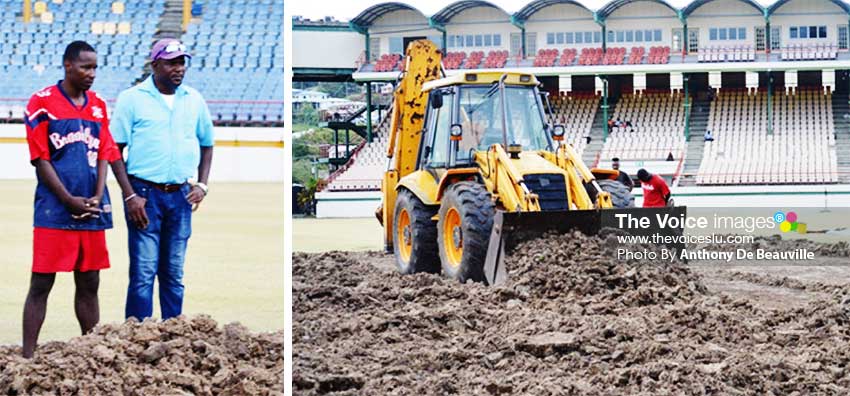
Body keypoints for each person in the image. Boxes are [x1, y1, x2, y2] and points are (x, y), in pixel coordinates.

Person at [22, 41, 123, 358]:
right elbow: (41, 159)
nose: (92, 73)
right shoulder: (42, 103)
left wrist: (96, 194)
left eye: (95, 67)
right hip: (55, 209)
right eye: (85, 67)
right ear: (68, 65)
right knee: (41, 283)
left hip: (92, 208)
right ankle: (27, 355)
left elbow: (105, 151)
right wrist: (67, 199)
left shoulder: (99, 105)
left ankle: (93, 352)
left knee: (90, 282)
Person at [111, 38, 214, 320]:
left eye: (182, 62)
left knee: (174, 271)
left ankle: (173, 334)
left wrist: (203, 185)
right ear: (155, 64)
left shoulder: (193, 99)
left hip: (180, 194)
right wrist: (130, 195)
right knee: (144, 271)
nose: (178, 68)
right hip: (144, 193)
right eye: (171, 63)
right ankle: (138, 336)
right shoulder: (131, 99)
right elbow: (114, 150)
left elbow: (207, 143)